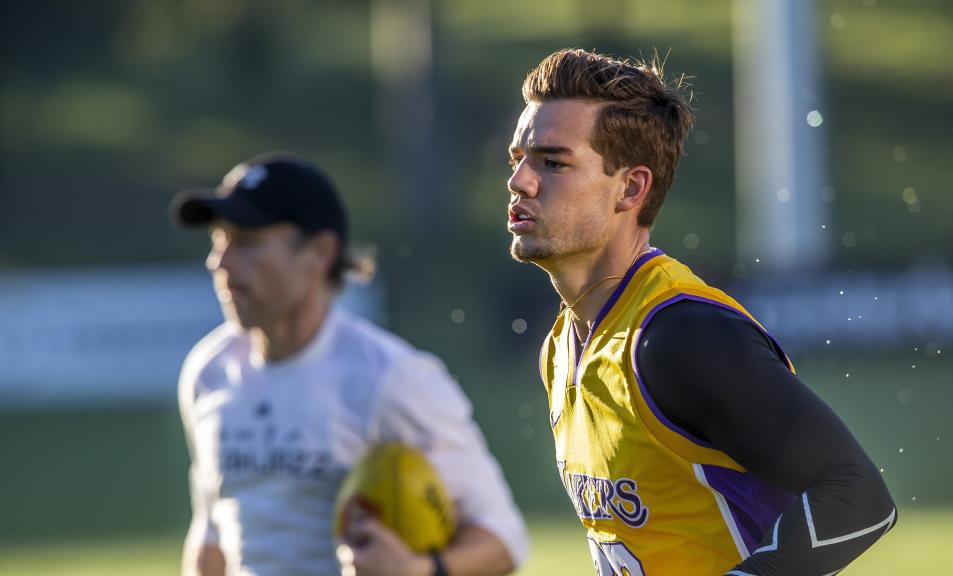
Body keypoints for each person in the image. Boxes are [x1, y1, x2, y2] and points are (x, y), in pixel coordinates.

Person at [505, 49, 896, 575]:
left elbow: (860, 498)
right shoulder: (560, 347)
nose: (521, 181)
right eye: (519, 159)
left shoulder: (681, 335)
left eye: (553, 162)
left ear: (631, 188)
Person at [171, 152, 528, 576]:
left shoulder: (391, 378)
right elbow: (212, 535)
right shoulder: (208, 372)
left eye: (247, 242)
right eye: (218, 241)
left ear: (320, 252)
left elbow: (504, 540)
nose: (221, 263)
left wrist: (419, 570)